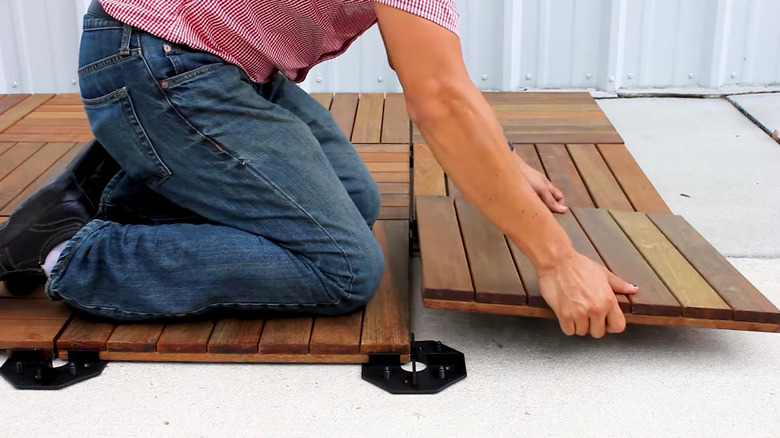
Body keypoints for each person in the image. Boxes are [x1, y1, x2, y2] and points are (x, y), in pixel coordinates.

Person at [0, 0, 637, 338]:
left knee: (354, 202)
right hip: (163, 64)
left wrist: (501, 161)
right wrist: (556, 259)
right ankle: (72, 252)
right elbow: (438, 100)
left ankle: (121, 181)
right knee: (341, 267)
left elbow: (445, 78)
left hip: (206, 64)